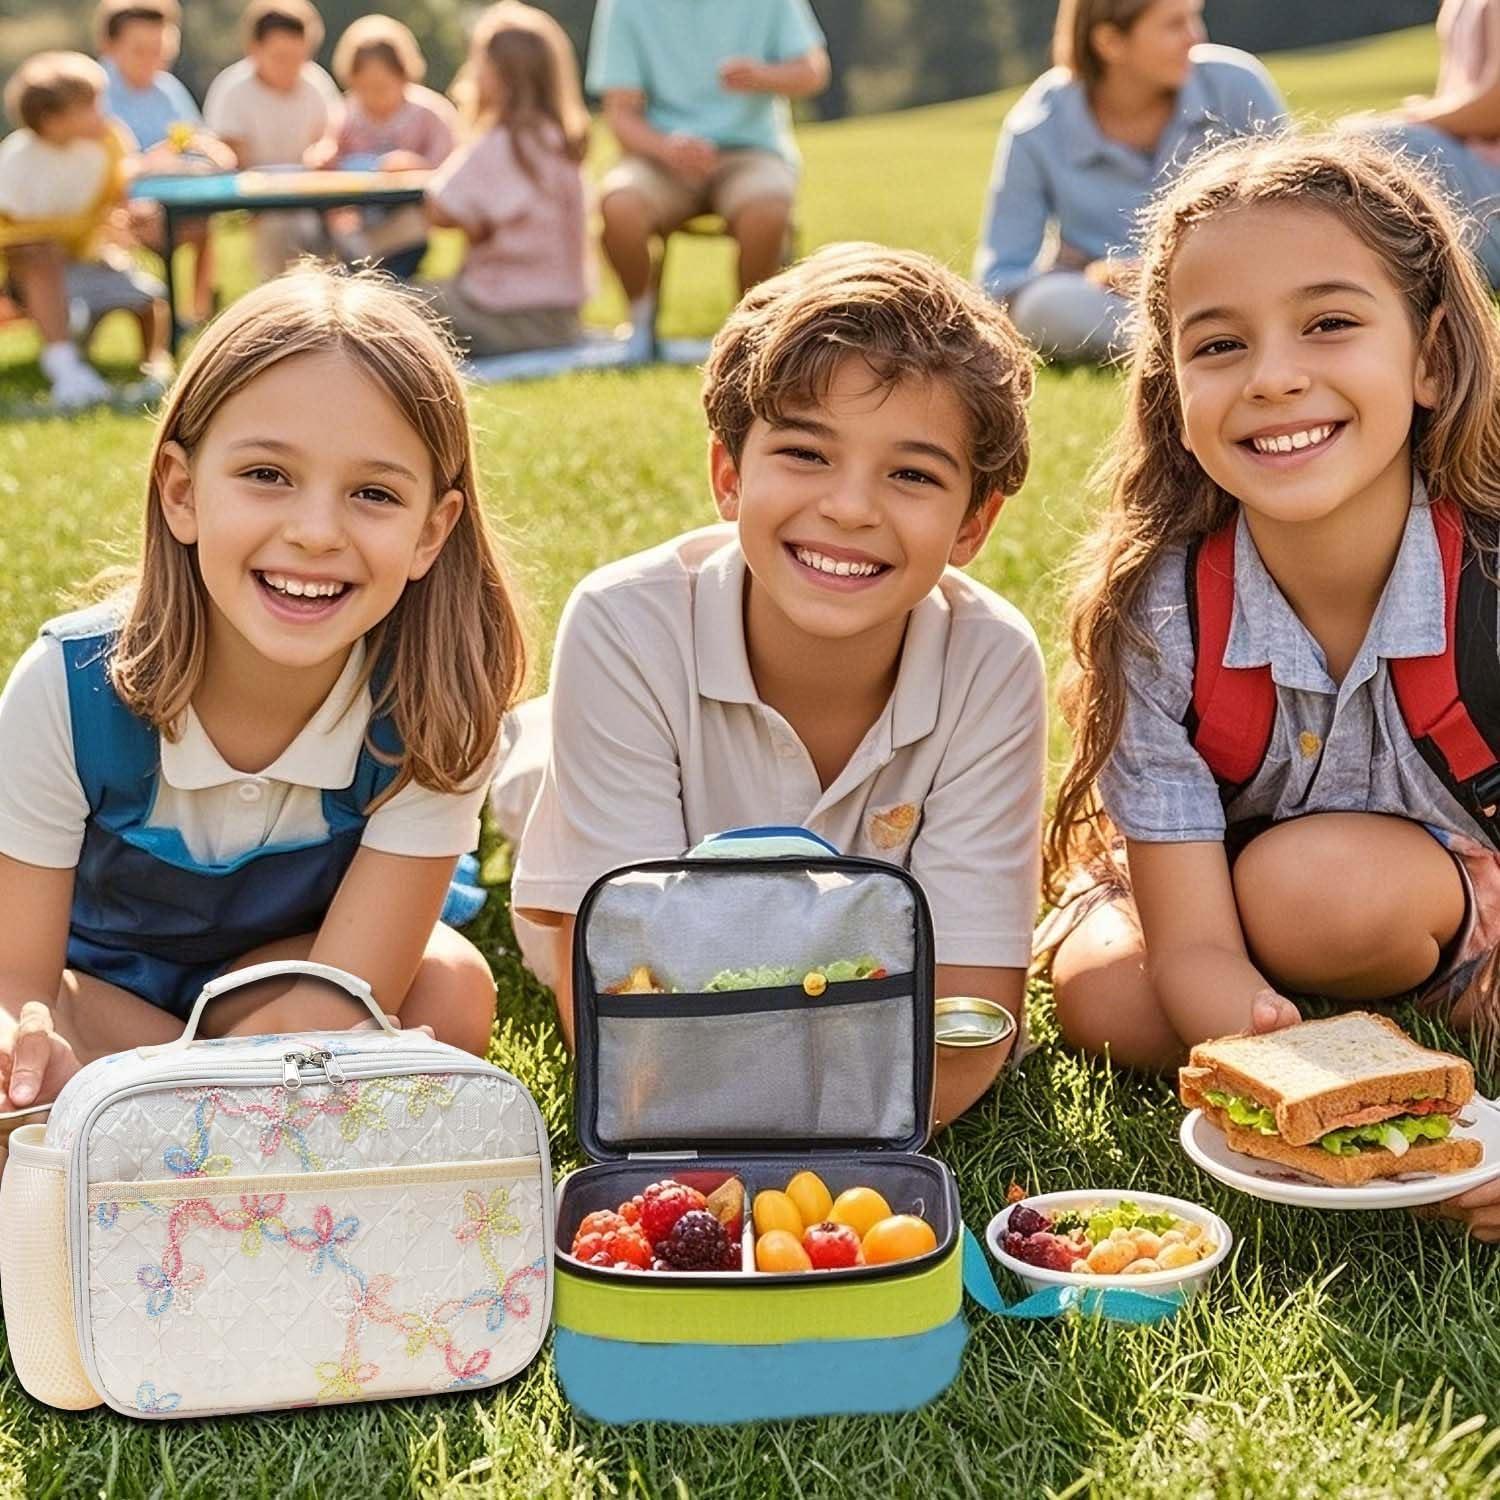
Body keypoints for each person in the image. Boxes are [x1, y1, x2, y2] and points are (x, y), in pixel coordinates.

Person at [493, 244, 1047, 1128]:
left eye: (912, 474)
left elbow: (970, 1019)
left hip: (804, 931)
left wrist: (770, 1107)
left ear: (974, 523)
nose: (852, 508)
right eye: (806, 453)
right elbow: (617, 1015)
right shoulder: (622, 625)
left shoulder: (993, 662)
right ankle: (530, 743)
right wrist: (843, 1090)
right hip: (604, 769)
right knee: (526, 775)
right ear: (728, 475)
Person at [1042, 130, 1500, 1138]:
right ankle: (1335, 1018)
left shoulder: (1491, 581)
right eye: (1219, 345)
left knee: (1311, 893)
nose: (1273, 378)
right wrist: (1311, 1090)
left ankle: (1444, 987)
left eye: (1329, 323)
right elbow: (1194, 948)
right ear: (1173, 391)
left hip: (1426, 888)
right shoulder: (1159, 615)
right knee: (1107, 995)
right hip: (1211, 891)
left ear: (1428, 359)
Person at [0, 267, 526, 1134]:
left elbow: (349, 992)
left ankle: (145, 1116)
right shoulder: (66, 688)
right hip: (96, 990)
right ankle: (225, 1119)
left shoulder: (438, 705)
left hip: (291, 987)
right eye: (267, 474)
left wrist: (135, 1096)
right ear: (181, 491)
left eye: (374, 494)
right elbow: (22, 980)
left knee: (452, 993)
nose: (316, 531)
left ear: (432, 531)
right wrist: (36, 1044)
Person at [974, 0, 1284, 364]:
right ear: (1110, 42)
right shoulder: (1036, 128)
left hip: (1240, 282)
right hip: (1119, 307)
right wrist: (1089, 276)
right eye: (1174, 25)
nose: (1195, 37)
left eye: (1194, 17)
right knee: (1044, 307)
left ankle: (1206, 344)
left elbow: (1296, 218)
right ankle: (1206, 346)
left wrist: (1176, 268)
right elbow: (1001, 282)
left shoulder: (1237, 86)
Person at [585, 0, 830, 360]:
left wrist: (763, 76)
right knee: (618, 202)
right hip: (660, 157)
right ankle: (640, 328)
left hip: (750, 152)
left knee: (769, 204)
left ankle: (750, 335)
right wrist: (667, 148)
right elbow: (620, 113)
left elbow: (813, 71)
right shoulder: (625, 5)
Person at [0, 50, 169, 408]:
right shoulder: (17, 161)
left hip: (87, 258)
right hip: (24, 275)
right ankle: (65, 368)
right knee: (41, 256)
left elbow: (121, 194)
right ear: (53, 121)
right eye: (92, 105)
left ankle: (155, 364)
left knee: (148, 298)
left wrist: (135, 215)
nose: (104, 112)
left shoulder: (108, 144)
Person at [424, 2, 588, 358]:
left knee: (388, 306)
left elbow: (438, 207)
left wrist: (471, 220)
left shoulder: (501, 143)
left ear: (496, 74)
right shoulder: (559, 141)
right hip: (561, 318)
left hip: (501, 313)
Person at [96, 0, 233, 324]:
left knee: (202, 222)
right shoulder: (95, 92)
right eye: (140, 50)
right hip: (114, 207)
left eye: (160, 50)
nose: (152, 60)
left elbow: (195, 138)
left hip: (169, 199)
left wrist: (209, 150)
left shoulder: (168, 88)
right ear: (110, 46)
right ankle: (158, 317)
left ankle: (195, 318)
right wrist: (155, 159)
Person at [1358, 0, 1500, 289]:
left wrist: (1416, 118)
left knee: (1381, 142)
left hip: (1492, 193)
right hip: (1476, 173)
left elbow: (1494, 109)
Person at [308, 14, 457, 281]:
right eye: (363, 88)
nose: (372, 97)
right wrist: (323, 156)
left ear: (403, 76)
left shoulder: (430, 113)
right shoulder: (346, 112)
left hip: (407, 224)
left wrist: (416, 165)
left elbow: (453, 168)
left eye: (381, 87)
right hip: (358, 221)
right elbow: (328, 150)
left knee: (407, 231)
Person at [203, 0, 341, 277]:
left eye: (299, 57)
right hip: (257, 203)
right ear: (254, 49)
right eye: (280, 57)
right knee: (284, 227)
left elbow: (329, 136)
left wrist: (324, 150)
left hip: (312, 196)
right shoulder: (232, 91)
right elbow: (232, 159)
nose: (291, 67)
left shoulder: (317, 83)